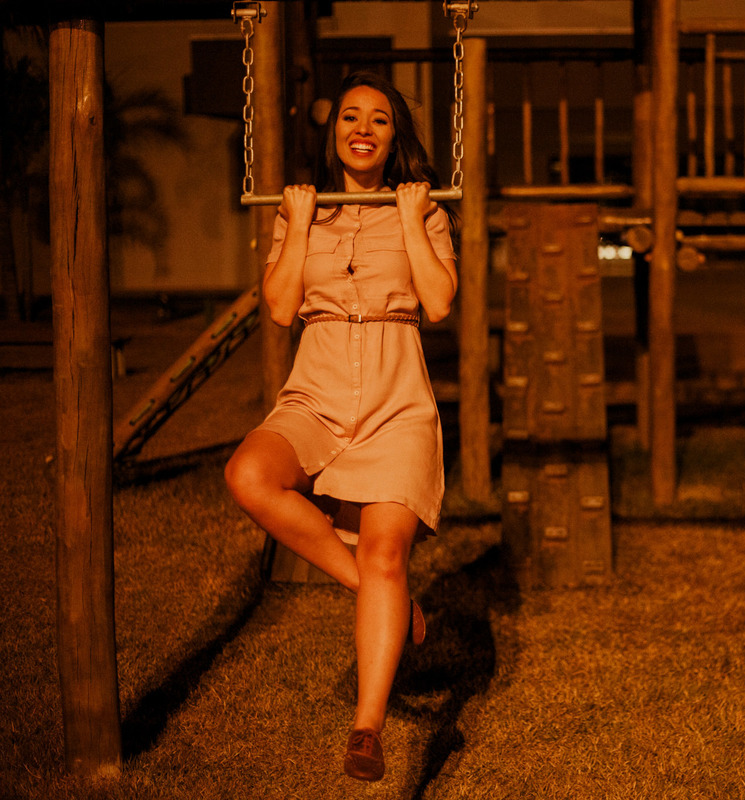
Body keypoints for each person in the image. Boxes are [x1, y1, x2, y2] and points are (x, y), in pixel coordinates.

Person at [225, 71, 458, 781]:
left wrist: (413, 218)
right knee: (249, 476)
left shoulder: (424, 210)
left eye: (379, 119)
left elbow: (439, 303)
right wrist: (297, 224)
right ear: (333, 135)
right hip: (317, 388)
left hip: (395, 398)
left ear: (394, 138)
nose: (363, 128)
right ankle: (381, 593)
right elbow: (279, 307)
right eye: (351, 117)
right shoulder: (304, 211)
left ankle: (366, 729)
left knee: (388, 553)